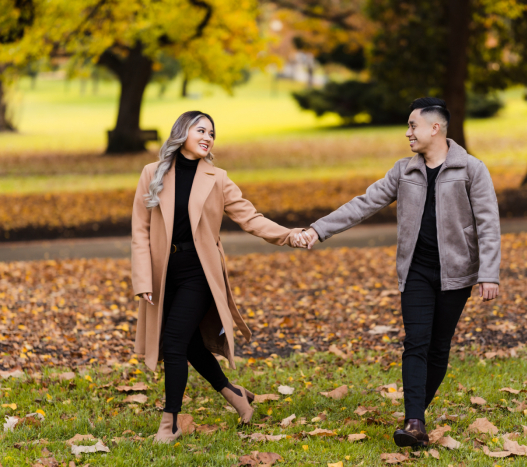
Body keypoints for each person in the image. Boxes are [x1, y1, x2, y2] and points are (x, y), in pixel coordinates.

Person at [300, 98, 501, 447]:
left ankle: (415, 417)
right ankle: (414, 423)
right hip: (417, 271)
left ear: (434, 128)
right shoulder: (404, 171)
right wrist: (319, 229)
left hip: (456, 274)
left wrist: (489, 273)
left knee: (439, 348)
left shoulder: (471, 169)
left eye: (413, 125)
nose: (407, 132)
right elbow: (364, 203)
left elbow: (488, 224)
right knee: (416, 343)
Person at [131, 111, 306, 443]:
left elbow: (251, 218)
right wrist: (142, 280)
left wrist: (288, 235)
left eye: (212, 133)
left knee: (175, 342)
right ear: (182, 132)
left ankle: (170, 425)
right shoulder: (151, 173)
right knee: (189, 344)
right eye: (201, 130)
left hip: (199, 273)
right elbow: (140, 230)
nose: (208, 137)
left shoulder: (218, 177)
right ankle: (234, 394)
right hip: (162, 274)